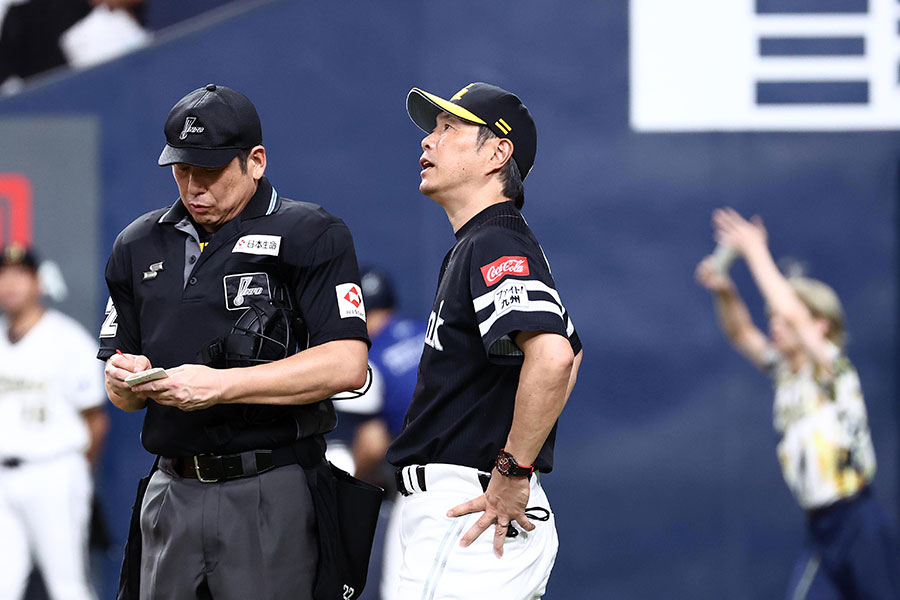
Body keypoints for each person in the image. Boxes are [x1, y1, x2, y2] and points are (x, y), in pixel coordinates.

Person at [99, 83, 370, 600]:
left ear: (256, 162)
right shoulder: (137, 244)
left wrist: (220, 386)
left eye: (211, 170)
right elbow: (122, 395)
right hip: (171, 487)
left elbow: (346, 363)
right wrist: (123, 379)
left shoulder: (311, 232)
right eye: (182, 170)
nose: (194, 186)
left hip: (269, 486)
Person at [385, 82, 583, 599]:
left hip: (467, 514)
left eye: (449, 129)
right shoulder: (488, 239)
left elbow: (556, 355)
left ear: (497, 152)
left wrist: (513, 469)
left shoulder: (494, 237)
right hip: (473, 512)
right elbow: (571, 349)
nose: (428, 142)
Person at [695, 207, 900, 599]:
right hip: (821, 528)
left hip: (860, 522)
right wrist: (726, 291)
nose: (776, 322)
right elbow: (741, 332)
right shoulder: (787, 374)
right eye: (773, 317)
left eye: (787, 319)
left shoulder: (833, 370)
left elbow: (790, 308)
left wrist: (755, 251)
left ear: (820, 324)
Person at [0, 244, 108, 600]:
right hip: (4, 475)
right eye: (3, 276)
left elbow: (94, 418)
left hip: (53, 471)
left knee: (68, 586)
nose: (10, 284)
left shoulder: (67, 339)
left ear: (38, 283)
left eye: (20, 275)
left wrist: (73, 471)